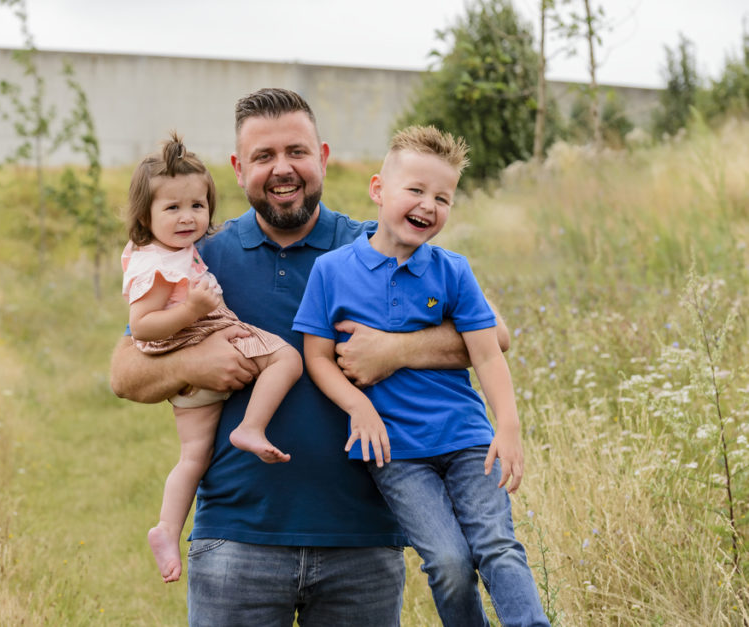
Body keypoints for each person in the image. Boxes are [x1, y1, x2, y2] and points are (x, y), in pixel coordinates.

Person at [110, 88, 509, 626]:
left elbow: (495, 334)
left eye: (296, 152)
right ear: (237, 168)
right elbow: (124, 371)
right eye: (263, 157)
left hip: (362, 542)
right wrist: (192, 363)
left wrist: (395, 348)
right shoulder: (201, 255)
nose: (282, 170)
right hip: (236, 539)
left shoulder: (372, 244)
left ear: (321, 156)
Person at [293, 125, 548, 627]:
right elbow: (317, 357)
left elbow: (489, 353)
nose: (428, 205)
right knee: (450, 563)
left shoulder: (453, 271)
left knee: (497, 545)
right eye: (416, 190)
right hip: (397, 453)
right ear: (378, 190)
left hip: (469, 440)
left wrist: (509, 426)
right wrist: (358, 406)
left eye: (443, 197)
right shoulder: (332, 271)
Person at [122, 133, 302, 583]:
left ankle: (167, 528)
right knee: (287, 359)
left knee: (193, 457)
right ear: (145, 215)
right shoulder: (160, 265)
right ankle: (250, 427)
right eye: (172, 208)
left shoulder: (175, 252)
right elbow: (142, 326)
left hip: (193, 365)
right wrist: (193, 312)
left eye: (197, 206)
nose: (187, 218)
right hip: (201, 335)